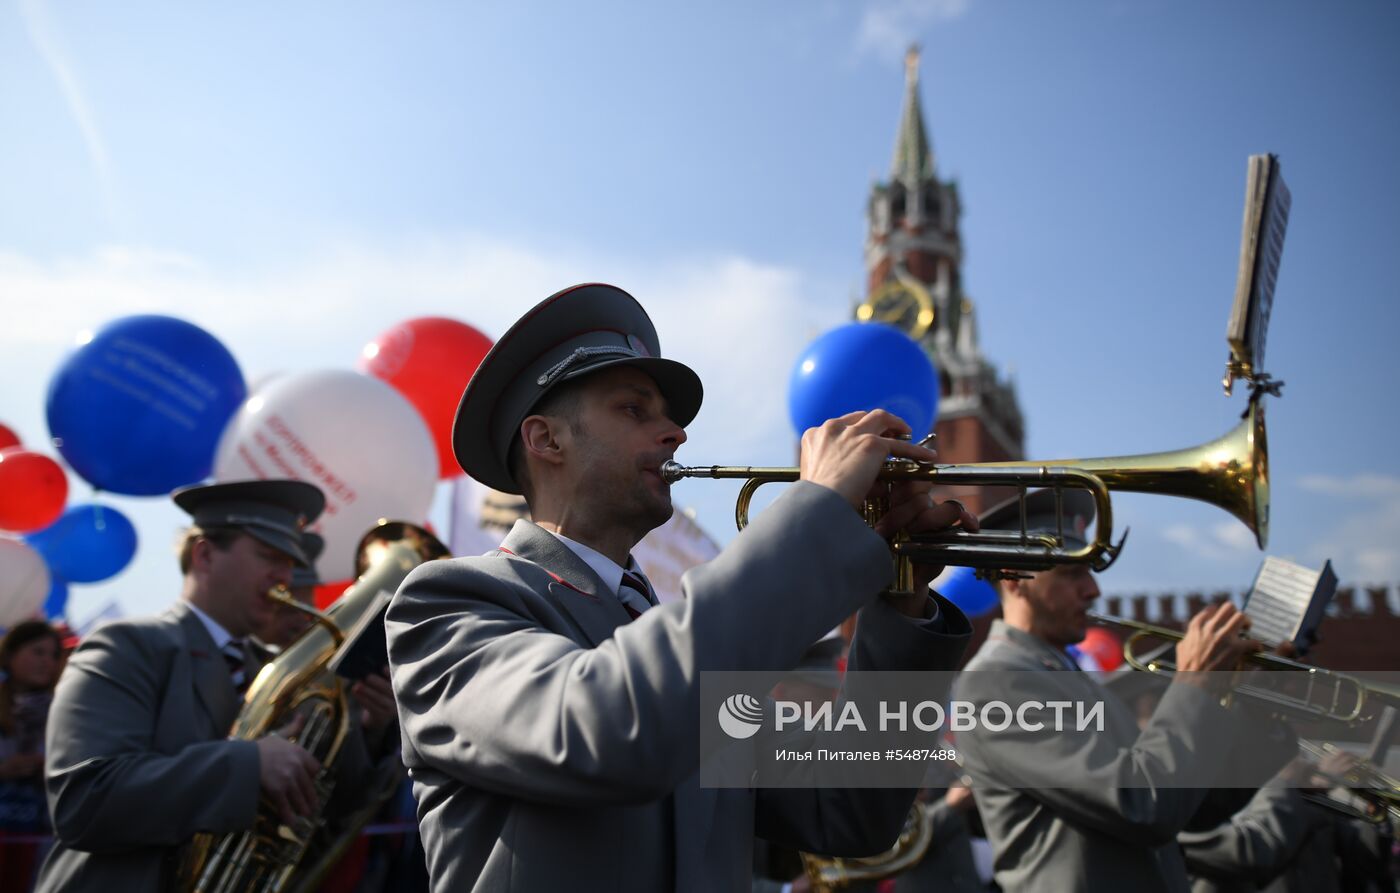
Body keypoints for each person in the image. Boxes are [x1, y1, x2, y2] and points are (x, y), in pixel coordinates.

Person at [386, 283, 978, 892]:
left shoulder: (677, 639)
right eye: (634, 410)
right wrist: (816, 512)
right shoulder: (446, 605)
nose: (677, 435)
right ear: (546, 440)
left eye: (668, 417)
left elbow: (854, 805)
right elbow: (611, 727)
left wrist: (900, 600)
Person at [35, 479, 381, 892]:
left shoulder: (279, 673)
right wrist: (248, 765)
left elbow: (330, 813)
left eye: (290, 563)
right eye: (269, 556)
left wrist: (370, 727)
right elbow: (84, 801)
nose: (285, 578)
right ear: (204, 554)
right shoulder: (127, 645)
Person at [951, 488, 1270, 893]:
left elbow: (1191, 805)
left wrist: (1262, 715)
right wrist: (1195, 683)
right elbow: (1142, 805)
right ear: (1015, 578)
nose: (1094, 590)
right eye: (1072, 573)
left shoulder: (1065, 675)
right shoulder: (994, 681)